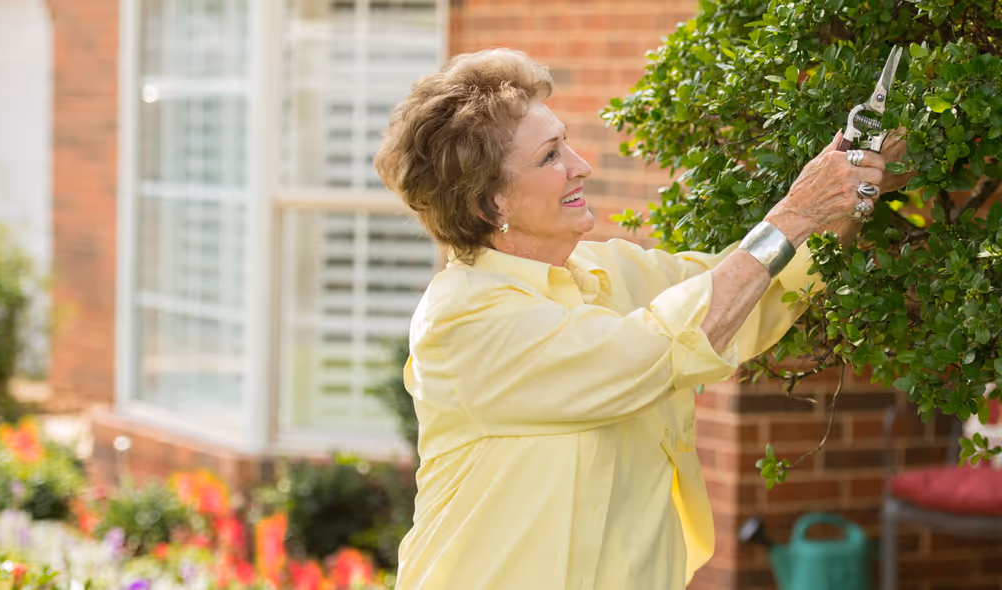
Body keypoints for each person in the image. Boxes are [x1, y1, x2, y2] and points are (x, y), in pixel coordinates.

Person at [373, 48, 908, 590]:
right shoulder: (464, 322)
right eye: (550, 156)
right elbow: (652, 351)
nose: (581, 164)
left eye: (566, 142)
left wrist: (848, 191)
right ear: (490, 206)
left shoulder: (604, 270)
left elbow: (745, 290)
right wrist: (796, 213)